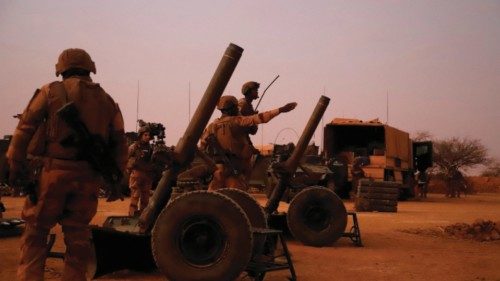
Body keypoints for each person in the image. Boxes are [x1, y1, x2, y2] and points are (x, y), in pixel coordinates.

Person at [6, 48, 127, 281]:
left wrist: (15, 164)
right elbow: (119, 144)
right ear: (89, 68)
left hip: (52, 174)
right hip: (87, 178)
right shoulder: (107, 100)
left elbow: (25, 128)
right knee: (78, 237)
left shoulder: (50, 91)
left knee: (35, 233)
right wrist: (116, 180)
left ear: (61, 68)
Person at [200, 95, 297, 191]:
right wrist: (281, 109)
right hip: (236, 168)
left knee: (212, 196)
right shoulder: (237, 121)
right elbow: (260, 118)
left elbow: (203, 145)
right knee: (238, 197)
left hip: (219, 168)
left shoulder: (212, 126)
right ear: (232, 108)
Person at [126, 125, 155, 216]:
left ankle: (142, 217)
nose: (147, 137)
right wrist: (129, 168)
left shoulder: (151, 148)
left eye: (148, 135)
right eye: (145, 135)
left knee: (145, 199)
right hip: (137, 174)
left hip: (147, 175)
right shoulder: (134, 147)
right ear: (140, 135)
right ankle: (131, 216)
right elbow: (126, 158)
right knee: (135, 196)